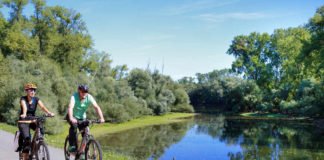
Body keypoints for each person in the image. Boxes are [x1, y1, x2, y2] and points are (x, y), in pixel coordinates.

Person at [17, 82, 55, 159]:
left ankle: (38, 145)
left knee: (41, 129)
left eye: (34, 90)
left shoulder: (36, 99)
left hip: (32, 119)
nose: (33, 92)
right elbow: (24, 107)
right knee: (27, 139)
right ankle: (25, 155)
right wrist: (24, 114)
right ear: (26, 91)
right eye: (31, 90)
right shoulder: (23, 99)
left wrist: (49, 113)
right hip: (24, 121)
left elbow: (43, 107)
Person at [67, 84, 105, 152]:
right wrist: (71, 118)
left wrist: (101, 118)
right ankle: (72, 145)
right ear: (79, 91)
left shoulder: (89, 97)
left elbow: (96, 107)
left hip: (82, 117)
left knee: (85, 134)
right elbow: (70, 107)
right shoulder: (74, 96)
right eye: (83, 91)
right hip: (72, 116)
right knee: (74, 127)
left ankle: (81, 152)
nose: (84, 93)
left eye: (86, 91)